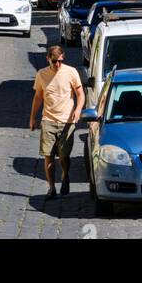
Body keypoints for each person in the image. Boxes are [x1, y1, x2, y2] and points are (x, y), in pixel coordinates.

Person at [29, 43, 85, 200]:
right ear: (48, 59)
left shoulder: (71, 72)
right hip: (48, 120)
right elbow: (38, 97)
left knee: (64, 156)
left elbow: (80, 94)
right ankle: (51, 188)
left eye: (60, 60)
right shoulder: (42, 74)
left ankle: (65, 175)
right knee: (48, 156)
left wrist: (78, 110)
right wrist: (32, 118)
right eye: (54, 61)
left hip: (67, 121)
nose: (58, 64)